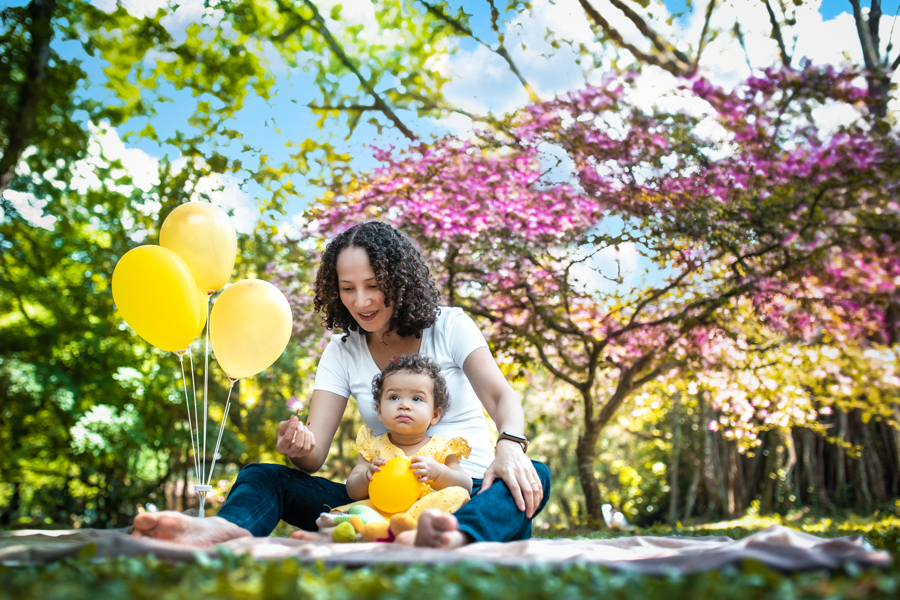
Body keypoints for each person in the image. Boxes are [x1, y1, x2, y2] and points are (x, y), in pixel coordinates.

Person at [131, 221, 551, 548]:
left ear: (399, 281)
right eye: (348, 289)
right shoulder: (342, 351)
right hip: (377, 502)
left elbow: (500, 397)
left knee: (538, 474)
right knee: (263, 476)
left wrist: (510, 447)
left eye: (373, 286)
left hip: (465, 494)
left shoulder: (450, 325)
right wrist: (299, 445)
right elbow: (313, 457)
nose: (361, 301)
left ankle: (448, 536)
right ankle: (226, 530)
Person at [337, 353, 473, 519]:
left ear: (435, 415)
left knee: (457, 496)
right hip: (382, 511)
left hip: (426, 513)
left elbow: (466, 485)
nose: (404, 405)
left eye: (416, 399)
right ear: (379, 411)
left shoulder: (442, 449)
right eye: (394, 397)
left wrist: (439, 473)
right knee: (352, 512)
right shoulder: (373, 447)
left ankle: (414, 531)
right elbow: (351, 490)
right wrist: (366, 477)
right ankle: (378, 530)